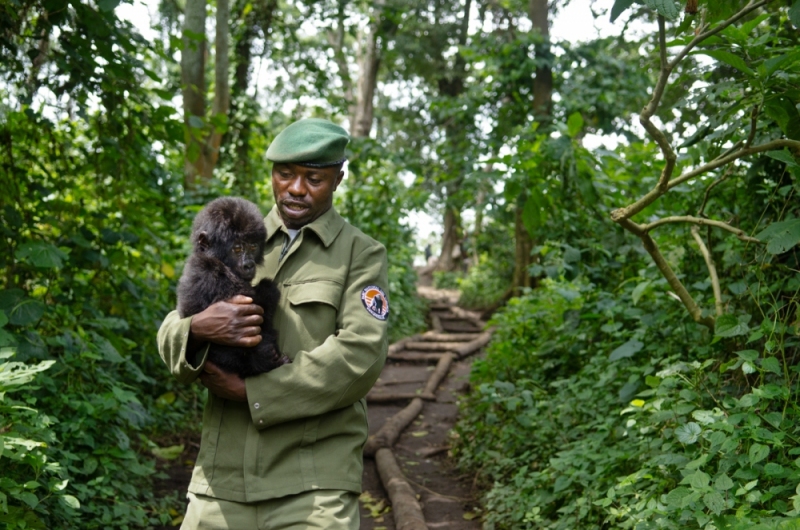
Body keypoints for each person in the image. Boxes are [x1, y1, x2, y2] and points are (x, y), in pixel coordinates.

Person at [157, 118, 389, 529]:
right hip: (222, 480)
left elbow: (361, 355)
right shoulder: (235, 230)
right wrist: (197, 329)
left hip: (314, 484)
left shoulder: (361, 254)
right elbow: (174, 325)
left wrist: (254, 392)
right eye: (285, 174)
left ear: (338, 178)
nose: (296, 189)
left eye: (314, 178)